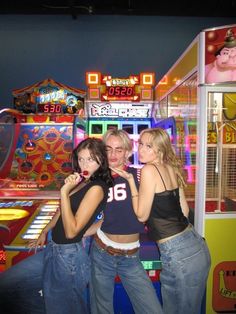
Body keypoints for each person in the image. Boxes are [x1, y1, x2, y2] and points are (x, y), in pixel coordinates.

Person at [0, 137, 113, 314]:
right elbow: (62, 211)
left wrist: (63, 191)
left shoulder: (97, 188)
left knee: (64, 308)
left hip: (68, 256)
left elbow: (72, 231)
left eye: (90, 159)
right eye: (81, 159)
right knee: (7, 285)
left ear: (101, 160)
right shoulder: (85, 182)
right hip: (53, 248)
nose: (84, 164)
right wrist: (45, 231)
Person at [112, 127, 211, 314]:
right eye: (141, 143)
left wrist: (132, 183)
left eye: (148, 146)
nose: (141, 149)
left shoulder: (149, 170)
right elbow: (184, 210)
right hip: (195, 245)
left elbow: (141, 215)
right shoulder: (172, 168)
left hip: (177, 253)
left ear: (160, 149)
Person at [88, 129, 163, 314]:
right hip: (101, 252)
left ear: (128, 152)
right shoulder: (95, 178)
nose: (113, 155)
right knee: (101, 309)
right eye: (108, 149)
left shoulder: (140, 175)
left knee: (151, 309)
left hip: (131, 256)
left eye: (119, 149)